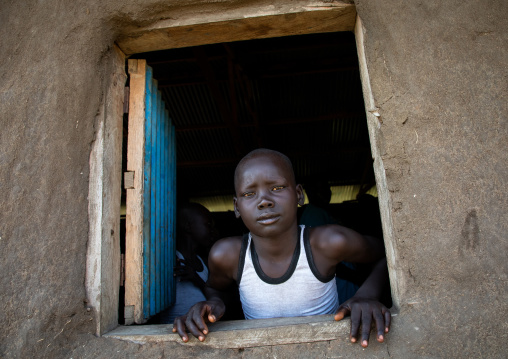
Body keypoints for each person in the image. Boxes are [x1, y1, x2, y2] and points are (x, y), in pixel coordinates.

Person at [173, 149, 390, 347]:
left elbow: (388, 255)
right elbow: (216, 289)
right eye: (249, 194)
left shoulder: (328, 242)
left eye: (276, 188)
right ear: (237, 207)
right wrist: (212, 303)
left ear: (298, 195)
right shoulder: (227, 255)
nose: (264, 201)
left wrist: (367, 294)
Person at [157, 202, 217, 324]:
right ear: (188, 226)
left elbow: (216, 298)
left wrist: (195, 278)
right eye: (208, 224)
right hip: (172, 330)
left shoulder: (205, 262)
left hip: (205, 329)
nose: (212, 230)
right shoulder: (168, 261)